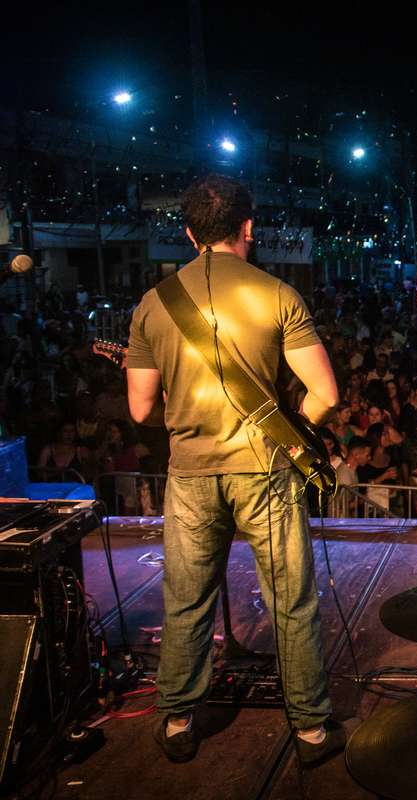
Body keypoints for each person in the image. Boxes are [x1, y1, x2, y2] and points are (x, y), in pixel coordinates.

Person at [125, 175, 343, 767]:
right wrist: (289, 426)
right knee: (291, 601)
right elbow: (325, 394)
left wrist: (185, 410)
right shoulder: (278, 294)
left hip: (191, 473)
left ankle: (177, 720)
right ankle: (311, 730)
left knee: (186, 600)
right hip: (265, 470)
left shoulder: (154, 303)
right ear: (249, 227)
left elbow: (140, 409)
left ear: (189, 233)